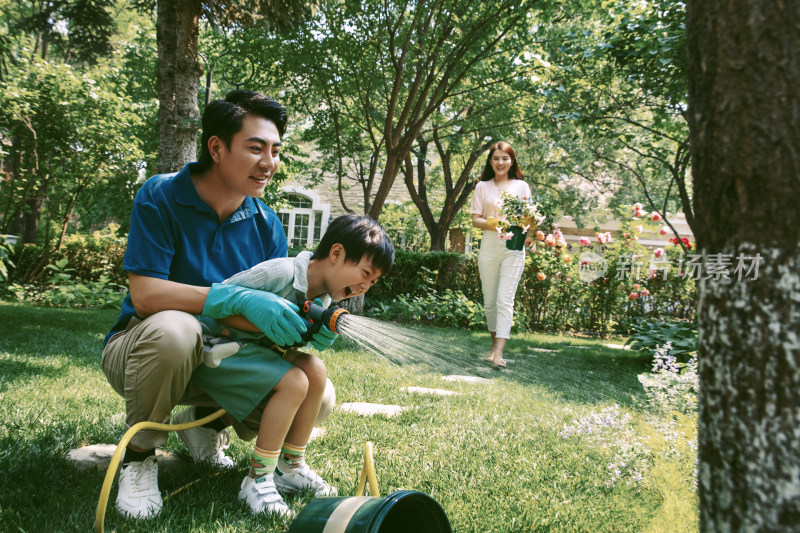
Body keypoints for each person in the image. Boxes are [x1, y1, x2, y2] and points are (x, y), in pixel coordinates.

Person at [102, 90, 335, 520]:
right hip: (146, 350)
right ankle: (138, 456)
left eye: (276, 150)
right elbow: (146, 296)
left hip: (221, 355)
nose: (269, 162)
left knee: (315, 391)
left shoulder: (266, 224)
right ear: (216, 147)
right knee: (178, 330)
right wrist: (228, 296)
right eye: (255, 147)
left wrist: (303, 323)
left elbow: (269, 317)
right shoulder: (162, 195)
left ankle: (207, 426)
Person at [191, 213, 395, 517]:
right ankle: (258, 478)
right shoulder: (279, 272)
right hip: (216, 348)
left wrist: (311, 335)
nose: (366, 285)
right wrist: (253, 313)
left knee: (315, 371)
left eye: (373, 281)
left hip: (255, 353)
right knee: (295, 381)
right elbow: (215, 302)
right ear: (337, 253)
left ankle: (289, 466)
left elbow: (283, 338)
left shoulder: (324, 298)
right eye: (365, 272)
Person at [469, 141, 534, 369]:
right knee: (490, 300)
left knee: (505, 299)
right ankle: (493, 345)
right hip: (489, 246)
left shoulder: (521, 187)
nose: (500, 162)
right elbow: (476, 219)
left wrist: (529, 231)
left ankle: (498, 353)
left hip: (513, 248)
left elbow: (528, 219)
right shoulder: (482, 187)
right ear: (490, 161)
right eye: (496, 158)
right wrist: (497, 225)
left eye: (504, 158)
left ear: (512, 161)